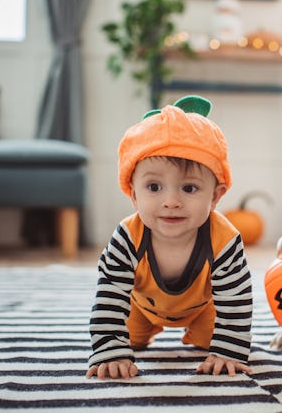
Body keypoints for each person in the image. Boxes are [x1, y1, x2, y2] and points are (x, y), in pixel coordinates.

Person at [86, 95, 253, 379]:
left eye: (189, 188)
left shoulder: (223, 239)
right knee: (130, 339)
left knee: (212, 342)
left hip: (202, 310)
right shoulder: (127, 237)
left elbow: (236, 299)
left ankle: (208, 338)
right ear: (133, 193)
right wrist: (110, 350)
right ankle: (135, 335)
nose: (171, 201)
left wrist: (228, 352)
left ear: (215, 195)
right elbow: (111, 294)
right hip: (139, 308)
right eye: (154, 186)